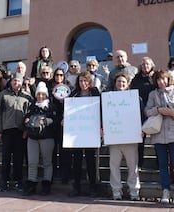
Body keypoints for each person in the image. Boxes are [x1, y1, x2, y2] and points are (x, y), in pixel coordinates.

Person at [145, 70, 174, 204]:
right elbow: (147, 111)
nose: (161, 82)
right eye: (158, 80)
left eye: (163, 79)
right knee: (162, 164)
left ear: (168, 79)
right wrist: (157, 110)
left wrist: (173, 113)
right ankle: (165, 190)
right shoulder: (153, 94)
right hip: (158, 133)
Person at [104, 73, 142, 201]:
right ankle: (116, 191)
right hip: (114, 138)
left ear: (128, 84)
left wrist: (142, 129)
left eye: (123, 82)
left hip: (131, 138)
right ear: (115, 83)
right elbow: (104, 116)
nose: (121, 84)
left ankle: (134, 192)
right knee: (114, 166)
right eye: (119, 82)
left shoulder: (135, 98)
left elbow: (141, 116)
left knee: (133, 166)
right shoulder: (108, 98)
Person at [0, 73, 32, 192]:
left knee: (18, 158)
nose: (16, 83)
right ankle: (4, 181)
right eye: (14, 81)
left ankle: (18, 181)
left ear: (22, 83)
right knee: (6, 158)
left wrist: (26, 130)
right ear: (11, 82)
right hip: (7, 130)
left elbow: (29, 114)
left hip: (20, 131)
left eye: (19, 81)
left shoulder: (26, 96)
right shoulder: (4, 94)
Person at [67, 71, 100, 197]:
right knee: (77, 160)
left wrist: (101, 126)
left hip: (91, 132)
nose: (83, 83)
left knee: (91, 160)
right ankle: (76, 187)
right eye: (81, 81)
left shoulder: (95, 92)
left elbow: (101, 109)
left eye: (85, 81)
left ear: (89, 81)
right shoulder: (74, 94)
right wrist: (66, 119)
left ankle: (93, 186)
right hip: (77, 133)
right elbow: (69, 110)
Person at [23, 82, 59, 196]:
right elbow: (26, 116)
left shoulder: (52, 106)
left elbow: (58, 120)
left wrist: (49, 121)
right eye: (39, 94)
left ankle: (46, 185)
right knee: (32, 162)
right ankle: (31, 184)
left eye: (43, 94)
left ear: (46, 95)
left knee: (47, 162)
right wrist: (26, 120)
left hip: (47, 137)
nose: (40, 96)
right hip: (32, 137)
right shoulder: (32, 106)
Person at [131, 56, 156, 170]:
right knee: (140, 138)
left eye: (148, 64)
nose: (145, 66)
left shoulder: (155, 77)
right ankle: (139, 163)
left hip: (153, 111)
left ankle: (159, 162)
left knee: (156, 138)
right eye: (143, 64)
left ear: (151, 65)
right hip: (139, 111)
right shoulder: (136, 78)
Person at [50, 67, 72, 183]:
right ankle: (53, 173)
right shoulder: (51, 89)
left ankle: (65, 175)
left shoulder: (69, 89)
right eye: (57, 75)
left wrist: (65, 103)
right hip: (53, 123)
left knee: (65, 151)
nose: (59, 77)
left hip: (65, 123)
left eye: (61, 75)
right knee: (53, 150)